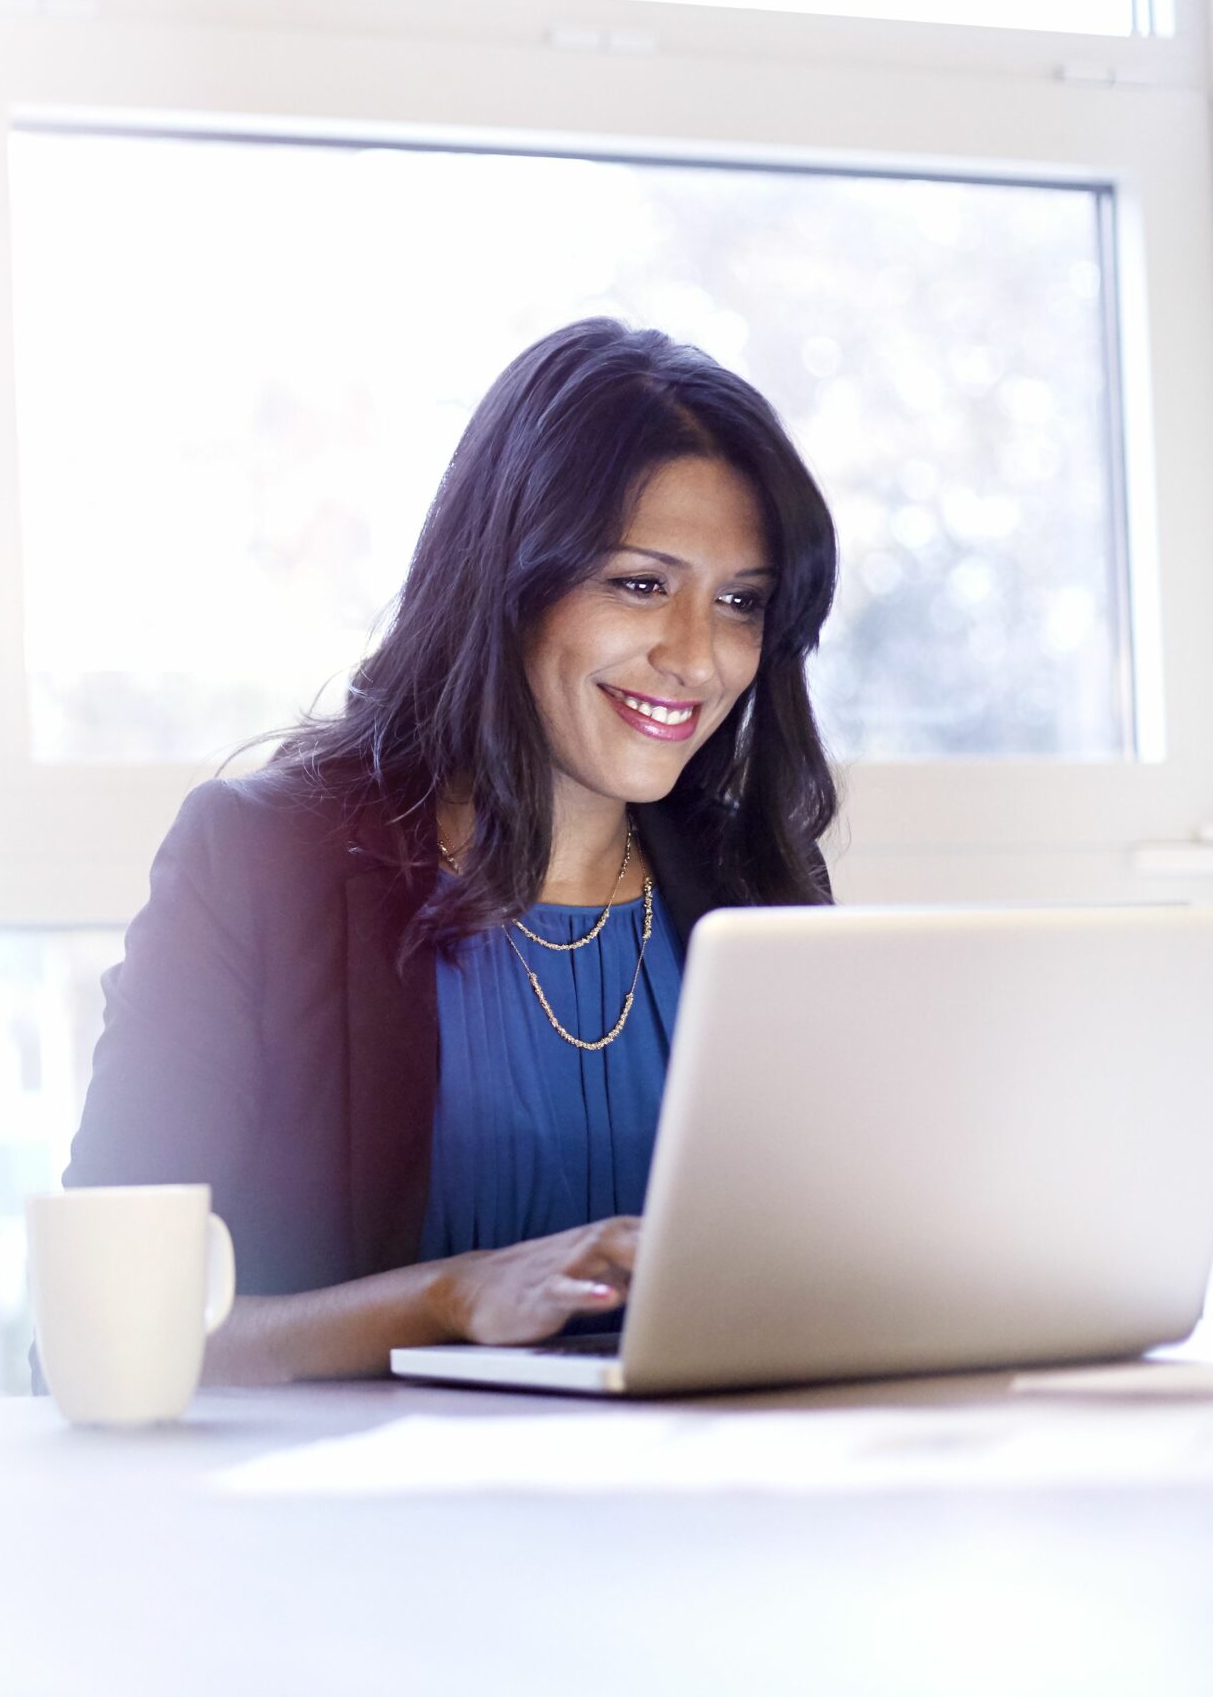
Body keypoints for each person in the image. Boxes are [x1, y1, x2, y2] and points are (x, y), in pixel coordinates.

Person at [61, 317, 839, 1384]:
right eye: (640, 585)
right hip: (371, 1533)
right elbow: (105, 1329)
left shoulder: (752, 889)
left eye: (741, 603)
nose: (696, 659)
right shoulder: (259, 862)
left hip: (710, 1516)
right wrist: (449, 1296)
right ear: (509, 579)